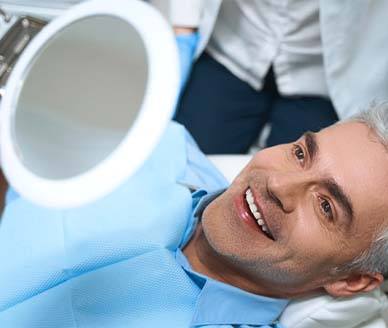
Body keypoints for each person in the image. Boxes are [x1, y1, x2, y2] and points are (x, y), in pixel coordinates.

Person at [1, 103, 388, 327]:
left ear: (351, 281)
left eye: (326, 207)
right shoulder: (156, 143)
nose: (279, 186)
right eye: (301, 153)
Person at [171, 1, 388, 154]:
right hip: (233, 47)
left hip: (322, 76)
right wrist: (183, 28)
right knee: (182, 163)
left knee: (298, 195)